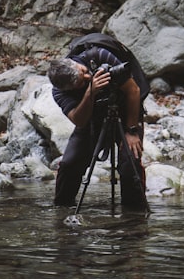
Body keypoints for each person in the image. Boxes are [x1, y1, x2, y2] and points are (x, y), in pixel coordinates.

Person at [47, 36, 146, 209]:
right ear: (69, 89)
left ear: (75, 63)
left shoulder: (99, 56)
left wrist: (131, 131)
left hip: (126, 110)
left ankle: (134, 219)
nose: (88, 76)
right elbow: (79, 120)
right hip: (91, 118)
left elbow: (133, 91)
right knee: (70, 164)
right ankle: (62, 212)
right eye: (82, 81)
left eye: (84, 71)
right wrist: (89, 93)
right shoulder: (60, 92)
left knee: (130, 163)